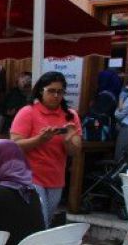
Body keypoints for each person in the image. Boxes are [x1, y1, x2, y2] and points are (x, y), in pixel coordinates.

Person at [11, 71, 83, 226]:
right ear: (40, 91)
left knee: (47, 221)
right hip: (30, 176)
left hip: (56, 177)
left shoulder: (70, 115)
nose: (56, 95)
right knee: (40, 219)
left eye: (60, 92)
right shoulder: (28, 112)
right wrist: (40, 139)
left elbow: (75, 152)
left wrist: (68, 139)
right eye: (51, 91)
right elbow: (14, 145)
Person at [0, 72, 32, 138]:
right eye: (22, 81)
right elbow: (2, 107)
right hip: (9, 125)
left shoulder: (32, 96)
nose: (24, 83)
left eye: (27, 80)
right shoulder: (12, 93)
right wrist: (7, 112)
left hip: (24, 127)